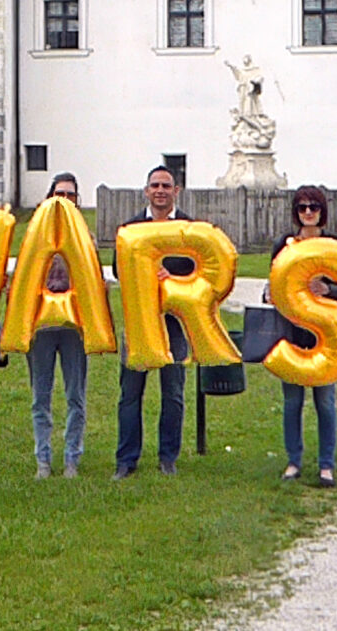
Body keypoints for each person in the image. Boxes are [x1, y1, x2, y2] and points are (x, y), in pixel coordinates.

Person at [113, 164, 195, 479]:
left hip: (174, 321)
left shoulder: (189, 228)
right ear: (146, 191)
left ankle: (168, 457)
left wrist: (172, 278)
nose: (160, 190)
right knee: (130, 392)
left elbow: (198, 268)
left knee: (173, 392)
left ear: (176, 191)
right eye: (154, 186)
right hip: (139, 321)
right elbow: (120, 271)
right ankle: (126, 459)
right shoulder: (131, 228)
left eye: (166, 185)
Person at [270, 183, 337, 487]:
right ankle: (294, 461)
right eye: (302, 208)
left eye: (313, 207)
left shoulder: (333, 244)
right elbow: (274, 279)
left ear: (322, 212)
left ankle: (326, 465)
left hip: (326, 334)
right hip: (292, 329)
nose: (307, 213)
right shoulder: (285, 244)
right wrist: (271, 294)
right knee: (292, 401)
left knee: (325, 401)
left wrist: (328, 289)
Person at [27, 172, 89, 479]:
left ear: (77, 201)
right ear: (50, 197)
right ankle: (43, 460)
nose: (64, 200)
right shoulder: (36, 235)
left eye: (71, 195)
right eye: (59, 194)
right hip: (41, 328)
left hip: (73, 328)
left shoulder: (84, 238)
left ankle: (71, 459)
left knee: (75, 395)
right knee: (41, 395)